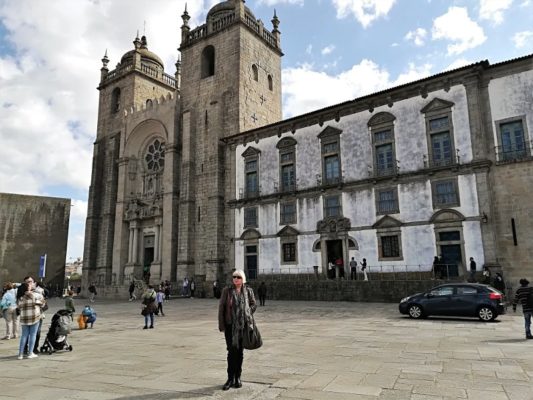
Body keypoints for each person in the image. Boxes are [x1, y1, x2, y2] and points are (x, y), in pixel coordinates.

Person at [218, 269, 257, 391]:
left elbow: (253, 304)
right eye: (234, 277)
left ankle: (237, 377)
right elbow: (221, 308)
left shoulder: (248, 291)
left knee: (240, 352)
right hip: (230, 326)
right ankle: (230, 378)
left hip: (243, 326)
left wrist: (247, 313)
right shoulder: (227, 291)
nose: (235, 279)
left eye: (238, 277)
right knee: (231, 352)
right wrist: (221, 325)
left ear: (243, 279)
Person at [17, 282, 45, 359]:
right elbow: (43, 304)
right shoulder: (36, 295)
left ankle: (20, 354)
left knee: (24, 335)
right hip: (34, 317)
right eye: (30, 285)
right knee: (33, 335)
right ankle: (30, 353)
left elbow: (19, 307)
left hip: (24, 318)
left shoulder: (20, 297)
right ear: (28, 288)